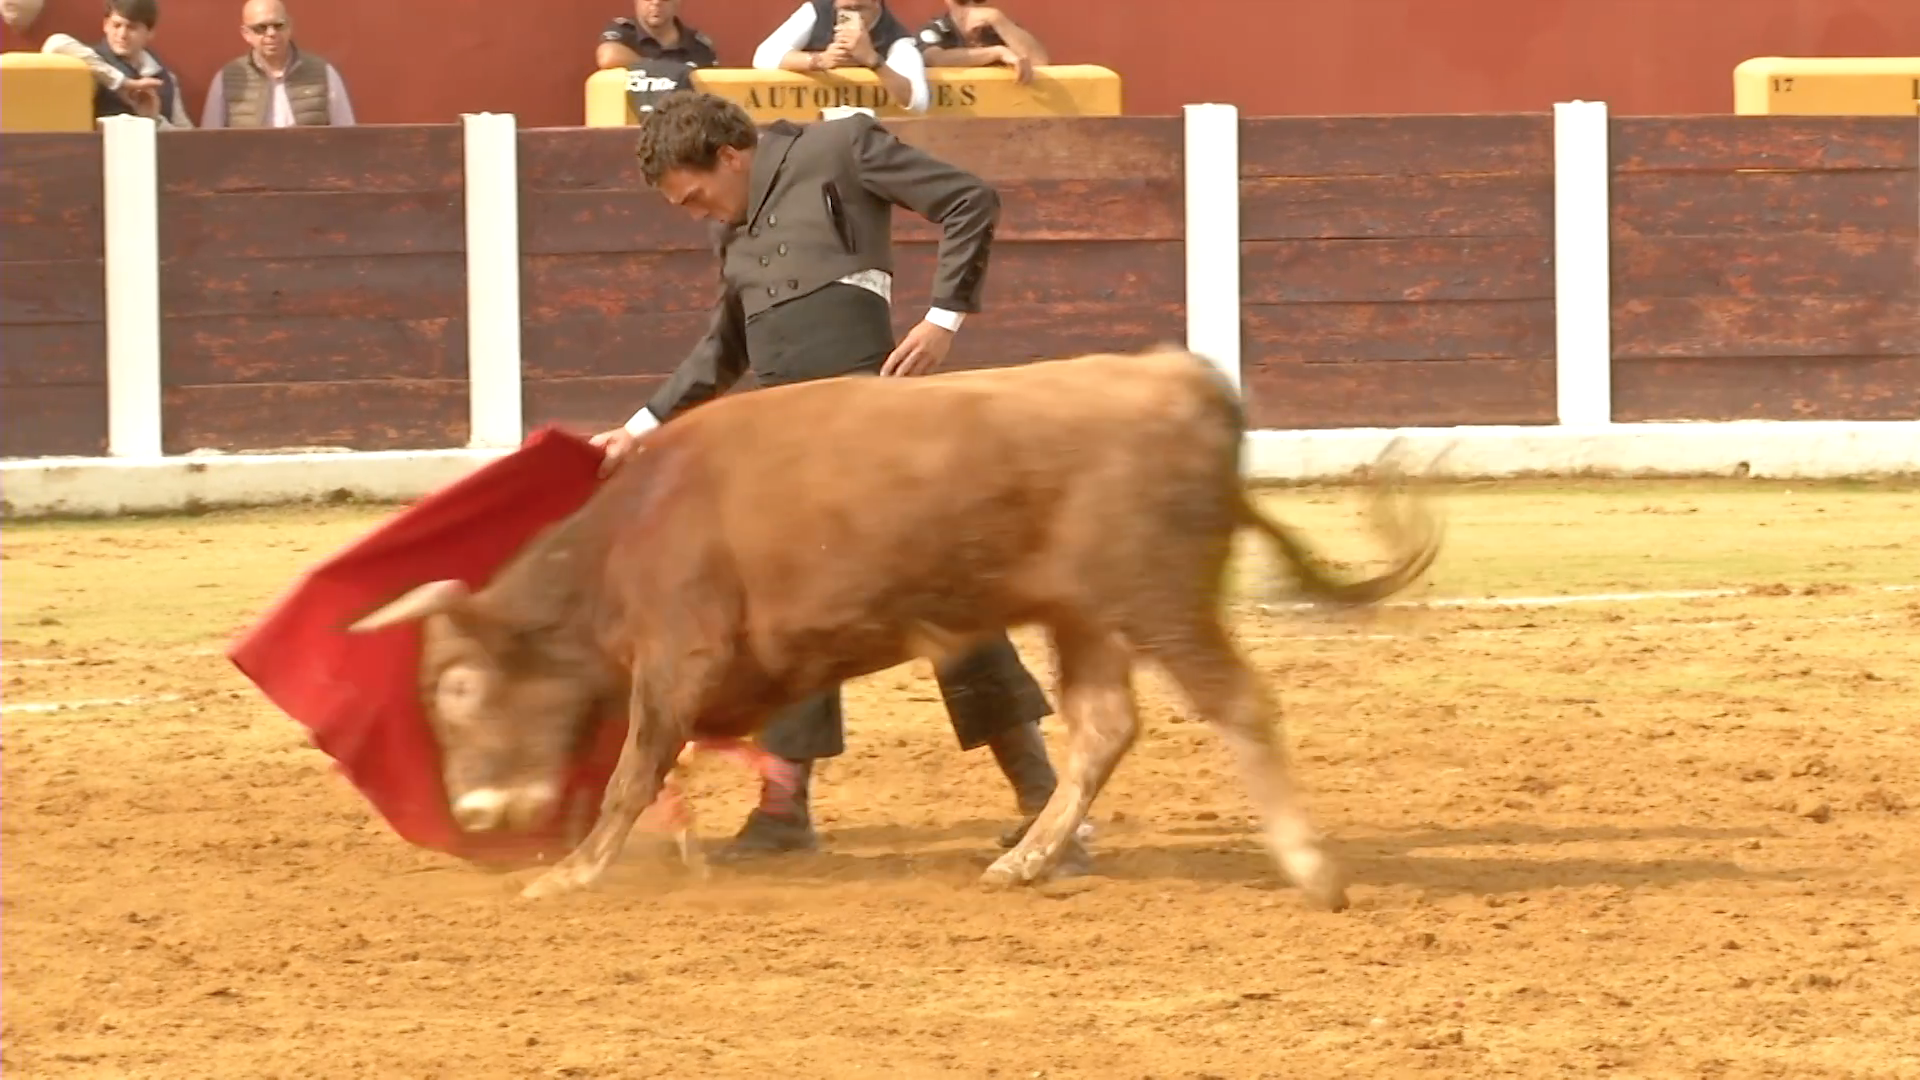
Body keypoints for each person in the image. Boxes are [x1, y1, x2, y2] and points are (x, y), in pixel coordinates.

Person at [591, 91, 1082, 870]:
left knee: (943, 599)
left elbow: (968, 200)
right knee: (794, 615)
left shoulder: (840, 148)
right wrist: (639, 428)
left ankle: (1048, 804)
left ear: (729, 156)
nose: (698, 214)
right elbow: (722, 349)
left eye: (696, 196)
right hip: (791, 454)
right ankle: (787, 807)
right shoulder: (737, 234)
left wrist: (944, 318)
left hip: (871, 435)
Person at [751, 0, 930, 114]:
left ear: (877, 3)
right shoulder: (817, 11)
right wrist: (819, 60)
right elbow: (763, 56)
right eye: (844, 9)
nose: (851, 17)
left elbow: (918, 103)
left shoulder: (897, 40)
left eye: (858, 9)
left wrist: (873, 61)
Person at [200, 0, 355, 128]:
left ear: (290, 26)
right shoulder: (227, 78)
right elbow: (211, 140)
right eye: (261, 28)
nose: (271, 33)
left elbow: (346, 134)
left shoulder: (323, 73)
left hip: (309, 164)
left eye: (278, 25)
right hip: (251, 164)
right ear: (246, 34)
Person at [41, 0, 193, 128]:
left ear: (150, 32)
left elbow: (188, 139)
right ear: (105, 25)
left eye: (132, 27)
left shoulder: (165, 77)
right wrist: (121, 83)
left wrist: (155, 121)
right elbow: (55, 44)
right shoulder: (90, 63)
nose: (122, 35)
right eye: (116, 25)